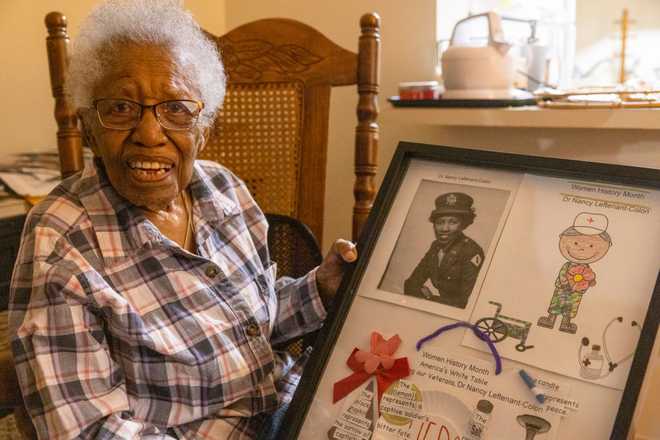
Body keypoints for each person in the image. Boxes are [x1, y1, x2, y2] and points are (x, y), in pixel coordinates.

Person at [8, 1, 356, 439]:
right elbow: (89, 431)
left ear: (203, 127)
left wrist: (319, 289)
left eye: (176, 108)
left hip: (297, 403)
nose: (150, 134)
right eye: (120, 107)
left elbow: (247, 325)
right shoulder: (61, 240)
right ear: (88, 126)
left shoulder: (224, 190)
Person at [403, 192, 484, 309]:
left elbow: (466, 303)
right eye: (440, 222)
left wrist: (430, 299)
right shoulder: (435, 247)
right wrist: (421, 293)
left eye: (453, 222)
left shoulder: (471, 251)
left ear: (463, 225)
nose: (444, 229)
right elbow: (411, 284)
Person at [537, 212, 612, 334]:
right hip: (563, 289)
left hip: (576, 293)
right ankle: (550, 320)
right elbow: (562, 275)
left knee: (571, 308)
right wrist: (566, 283)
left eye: (591, 245)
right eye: (576, 243)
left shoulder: (587, 269)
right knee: (556, 304)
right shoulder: (567, 265)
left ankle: (565, 324)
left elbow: (589, 278)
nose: (582, 249)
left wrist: (590, 282)